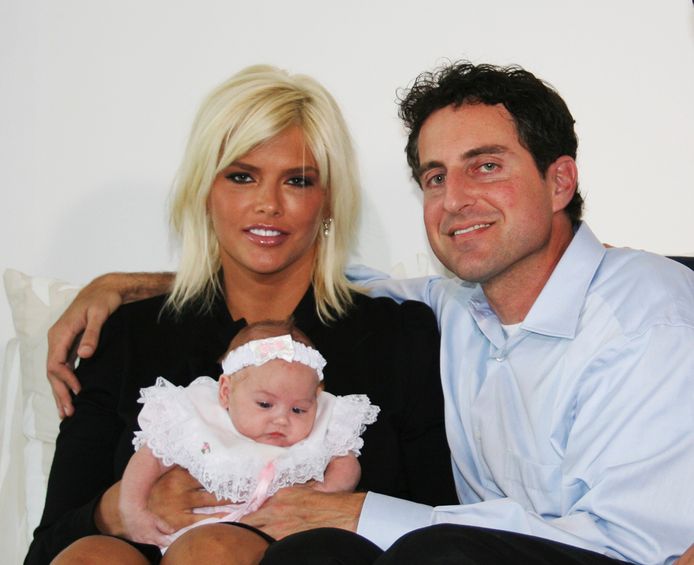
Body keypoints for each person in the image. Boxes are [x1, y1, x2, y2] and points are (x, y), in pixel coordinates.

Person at [47, 61, 694, 565]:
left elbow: (635, 542)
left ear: (560, 181)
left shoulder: (647, 318)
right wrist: (122, 285)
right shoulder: (452, 307)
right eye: (436, 177)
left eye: (485, 167)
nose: (455, 200)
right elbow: (290, 275)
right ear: (202, 190)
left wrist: (359, 513)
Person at [26, 64, 457, 565]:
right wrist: (121, 508)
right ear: (205, 191)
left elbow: (444, 528)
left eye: (297, 181)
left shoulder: (399, 337)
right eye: (242, 176)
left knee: (212, 551)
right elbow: (48, 546)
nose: (268, 204)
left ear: (329, 201)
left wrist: (340, 512)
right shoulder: (125, 334)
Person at [121, 319, 378, 551]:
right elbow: (151, 457)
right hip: (188, 535)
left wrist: (324, 493)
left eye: (298, 409)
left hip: (277, 540)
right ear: (226, 392)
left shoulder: (323, 420)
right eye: (265, 404)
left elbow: (346, 462)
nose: (281, 419)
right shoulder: (200, 416)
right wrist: (133, 510)